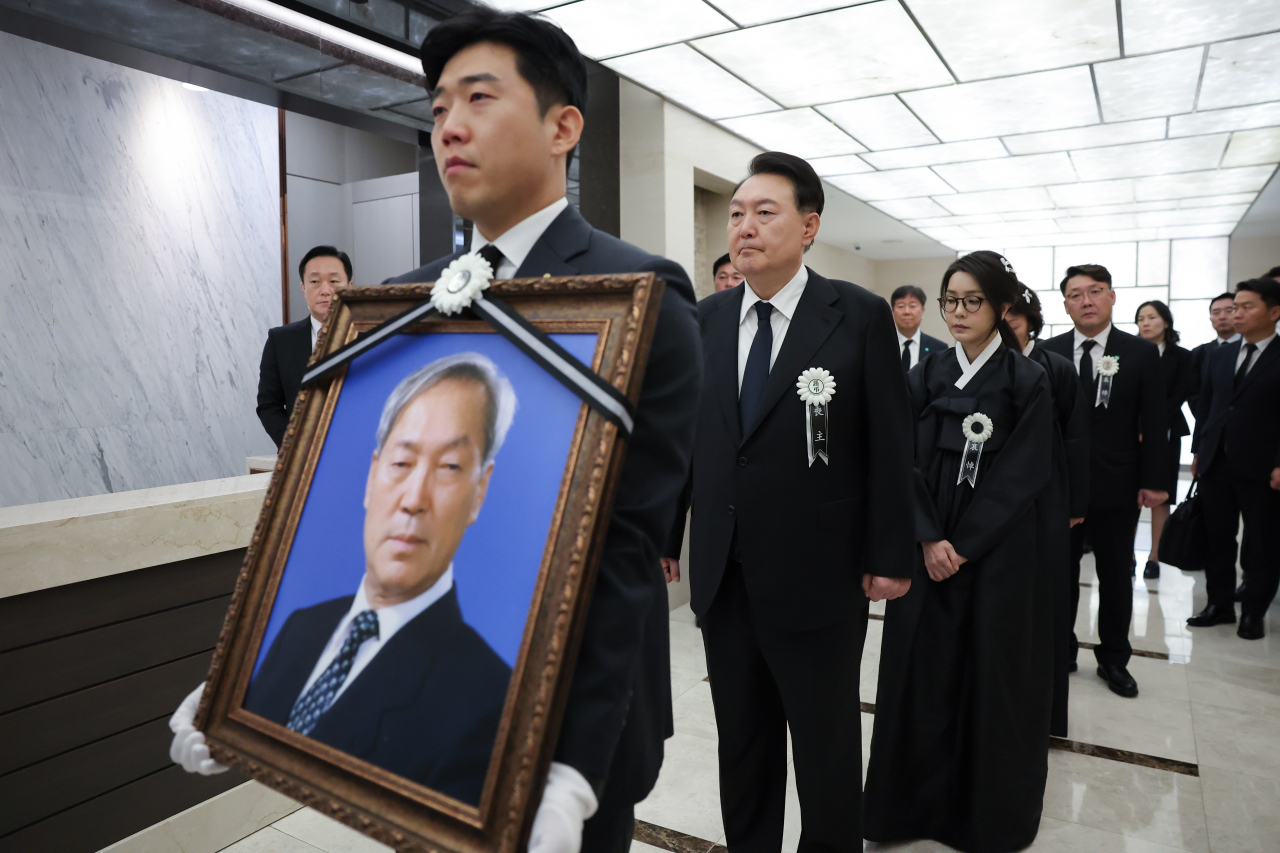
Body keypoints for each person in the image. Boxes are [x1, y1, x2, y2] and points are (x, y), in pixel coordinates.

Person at [174, 10, 702, 853]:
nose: (448, 125)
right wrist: (247, 679)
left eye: (479, 98)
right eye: (437, 106)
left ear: (564, 126)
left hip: (578, 726)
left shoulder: (642, 297)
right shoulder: (400, 303)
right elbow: (334, 508)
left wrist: (567, 763)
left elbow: (625, 545)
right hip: (409, 729)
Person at [663, 152, 915, 853]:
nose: (744, 226)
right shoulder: (706, 319)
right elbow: (689, 439)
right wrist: (664, 533)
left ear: (808, 227)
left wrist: (890, 552)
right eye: (736, 213)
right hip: (725, 570)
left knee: (825, 743)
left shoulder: (857, 316)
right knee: (742, 742)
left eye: (763, 212)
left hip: (820, 573)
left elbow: (890, 443)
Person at [243, 354, 514, 804]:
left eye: (449, 467)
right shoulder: (300, 627)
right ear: (372, 476)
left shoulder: (489, 702)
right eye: (402, 462)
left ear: (479, 492)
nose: (414, 499)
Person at [865, 252, 1053, 853]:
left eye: (973, 301)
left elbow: (1024, 475)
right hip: (928, 552)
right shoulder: (925, 374)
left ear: (1002, 308)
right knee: (920, 674)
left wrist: (964, 546)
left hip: (994, 557)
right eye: (951, 300)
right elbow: (899, 458)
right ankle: (908, 810)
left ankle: (982, 820)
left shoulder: (1028, 381)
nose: (959, 312)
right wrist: (926, 535)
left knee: (990, 678)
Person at [1040, 264, 1168, 699]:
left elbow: (1155, 422)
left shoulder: (1140, 352)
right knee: (1059, 573)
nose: (1086, 301)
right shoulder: (1048, 351)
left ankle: (1114, 658)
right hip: (1059, 487)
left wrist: (1155, 481)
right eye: (1075, 294)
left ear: (1112, 297)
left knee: (1116, 574)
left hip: (1118, 484)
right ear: (1065, 304)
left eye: (1095, 291)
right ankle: (1061, 650)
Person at [1005, 287, 1088, 739]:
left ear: (1030, 323)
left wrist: (1075, 504)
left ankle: (1049, 719)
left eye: (1013, 321)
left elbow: (1075, 439)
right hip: (999, 503)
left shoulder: (1056, 368)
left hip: (1048, 499)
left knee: (1048, 605)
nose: (1006, 329)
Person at [1188, 278, 1280, 640]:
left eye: (1246, 307)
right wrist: (1198, 450)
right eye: (1235, 307)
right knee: (1217, 537)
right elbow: (1208, 408)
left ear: (1274, 312)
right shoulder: (1220, 354)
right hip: (1216, 461)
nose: (1237, 314)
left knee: (1261, 541)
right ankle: (1219, 604)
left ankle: (1254, 611)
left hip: (1263, 466)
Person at [257, 246, 352, 448]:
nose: (325, 290)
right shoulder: (280, 341)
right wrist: (294, 447)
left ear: (350, 287)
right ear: (303, 289)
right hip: (301, 457)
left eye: (334, 281)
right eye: (315, 282)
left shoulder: (370, 336)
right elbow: (269, 405)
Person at [1135, 300, 1196, 579]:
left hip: (1166, 435)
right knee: (1129, 496)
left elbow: (1178, 396)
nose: (1145, 323)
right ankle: (1126, 554)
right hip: (1130, 435)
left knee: (1160, 497)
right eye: (1140, 319)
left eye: (1151, 317)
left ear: (1166, 322)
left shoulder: (1182, 356)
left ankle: (1155, 556)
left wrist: (1153, 427)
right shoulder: (1129, 353)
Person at [1187, 293, 1240, 415]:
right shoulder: (1199, 353)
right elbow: (1193, 392)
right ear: (1210, 318)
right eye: (1216, 313)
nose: (1222, 317)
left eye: (1229, 311)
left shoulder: (1250, 348)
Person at [891, 284, 949, 373]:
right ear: (892, 312)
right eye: (901, 306)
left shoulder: (939, 349)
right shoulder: (881, 346)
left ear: (922, 310)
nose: (907, 312)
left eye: (912, 306)